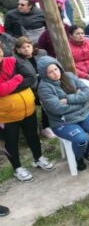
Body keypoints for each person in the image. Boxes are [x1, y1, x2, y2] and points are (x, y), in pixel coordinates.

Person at [37, 56, 89, 172]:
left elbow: (87, 93)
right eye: (50, 72)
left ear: (59, 67)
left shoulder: (69, 76)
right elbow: (57, 108)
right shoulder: (44, 88)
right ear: (44, 74)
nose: (55, 73)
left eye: (56, 69)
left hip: (84, 114)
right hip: (63, 121)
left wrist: (68, 100)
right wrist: (80, 100)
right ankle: (78, 157)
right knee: (81, 139)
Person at [0, 46, 55, 181]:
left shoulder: (12, 61)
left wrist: (9, 87)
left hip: (28, 108)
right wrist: (17, 79)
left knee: (33, 135)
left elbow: (30, 78)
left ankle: (38, 158)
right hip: (6, 115)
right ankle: (17, 168)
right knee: (11, 142)